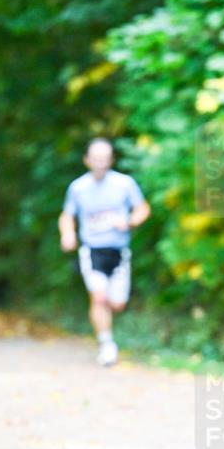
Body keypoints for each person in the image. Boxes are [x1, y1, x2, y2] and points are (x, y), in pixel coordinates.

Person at [59, 138, 151, 366]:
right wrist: (68, 234)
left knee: (116, 303)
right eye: (96, 158)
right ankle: (107, 343)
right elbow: (67, 215)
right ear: (87, 160)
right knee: (99, 297)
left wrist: (129, 221)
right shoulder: (78, 188)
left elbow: (142, 208)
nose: (100, 162)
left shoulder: (124, 184)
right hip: (92, 251)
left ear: (111, 159)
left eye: (105, 158)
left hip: (119, 251)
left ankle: (108, 325)